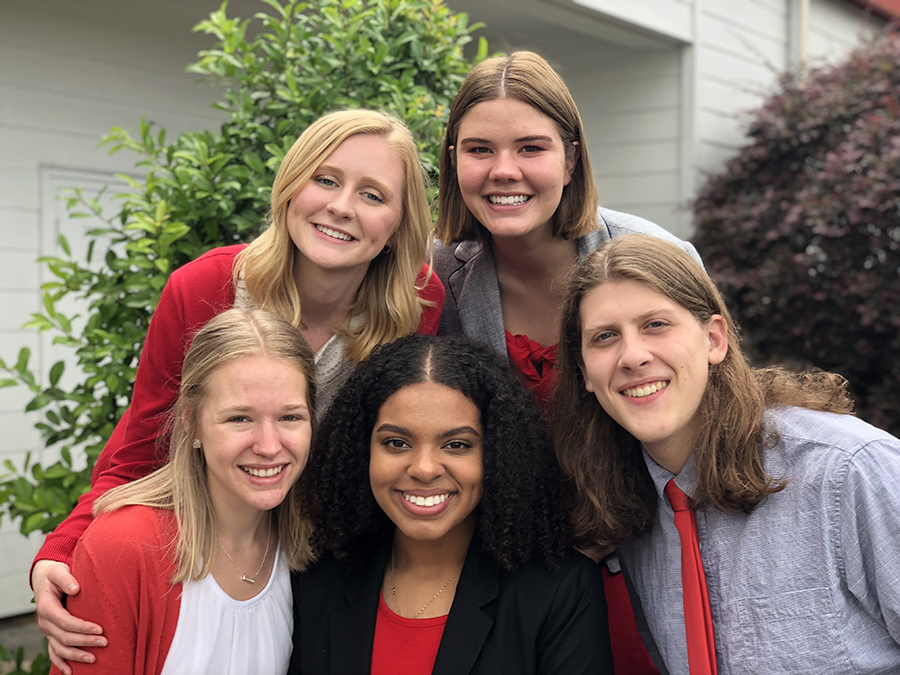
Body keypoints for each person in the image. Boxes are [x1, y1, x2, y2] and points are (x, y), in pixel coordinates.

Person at [33, 109, 445, 674]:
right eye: (325, 179)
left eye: (373, 195)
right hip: (210, 548)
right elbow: (141, 448)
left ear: (399, 224)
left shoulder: (415, 307)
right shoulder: (205, 288)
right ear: (290, 186)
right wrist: (63, 549)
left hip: (327, 556)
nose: (342, 206)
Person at [431, 49, 691, 672]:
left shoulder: (655, 256)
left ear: (571, 159)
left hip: (655, 558)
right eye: (479, 150)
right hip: (516, 577)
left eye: (531, 148)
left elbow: (711, 418)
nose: (503, 171)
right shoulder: (436, 280)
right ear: (453, 162)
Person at [554, 234, 900, 674]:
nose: (633, 356)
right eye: (604, 337)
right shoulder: (628, 508)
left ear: (714, 339)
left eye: (656, 324)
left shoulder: (849, 470)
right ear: (584, 371)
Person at [290, 334, 613, 675]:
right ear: (361, 451)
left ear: (498, 454)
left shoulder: (559, 591)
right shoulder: (316, 580)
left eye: (457, 445)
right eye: (396, 443)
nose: (424, 469)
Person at [50, 308, 317, 675]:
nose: (269, 446)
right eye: (240, 418)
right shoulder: (123, 546)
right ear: (191, 422)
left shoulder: (311, 544)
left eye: (290, 417)